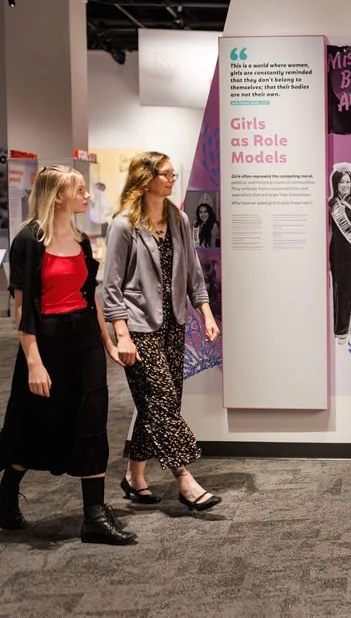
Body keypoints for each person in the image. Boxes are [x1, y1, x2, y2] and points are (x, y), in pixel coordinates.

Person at [0, 165, 136, 545]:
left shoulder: (81, 240)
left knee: (92, 421)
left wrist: (108, 343)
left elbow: (88, 298)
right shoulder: (28, 241)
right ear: (58, 196)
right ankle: (6, 496)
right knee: (34, 425)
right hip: (46, 343)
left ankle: (94, 516)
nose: (86, 195)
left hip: (84, 342)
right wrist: (34, 362)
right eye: (79, 189)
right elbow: (22, 311)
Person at [103, 151, 223, 513]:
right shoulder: (124, 225)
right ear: (146, 179)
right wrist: (121, 335)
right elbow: (111, 287)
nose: (172, 179)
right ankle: (184, 478)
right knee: (161, 397)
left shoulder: (179, 219)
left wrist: (206, 313)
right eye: (166, 174)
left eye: (173, 174)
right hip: (139, 326)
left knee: (156, 403)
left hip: (174, 324)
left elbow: (194, 274)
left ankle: (134, 476)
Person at [328, 163, 351, 340]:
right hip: (335, 252)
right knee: (336, 289)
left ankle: (345, 330)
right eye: (342, 182)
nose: (345, 185)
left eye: (348, 182)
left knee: (349, 290)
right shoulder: (331, 204)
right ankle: (337, 326)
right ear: (335, 184)